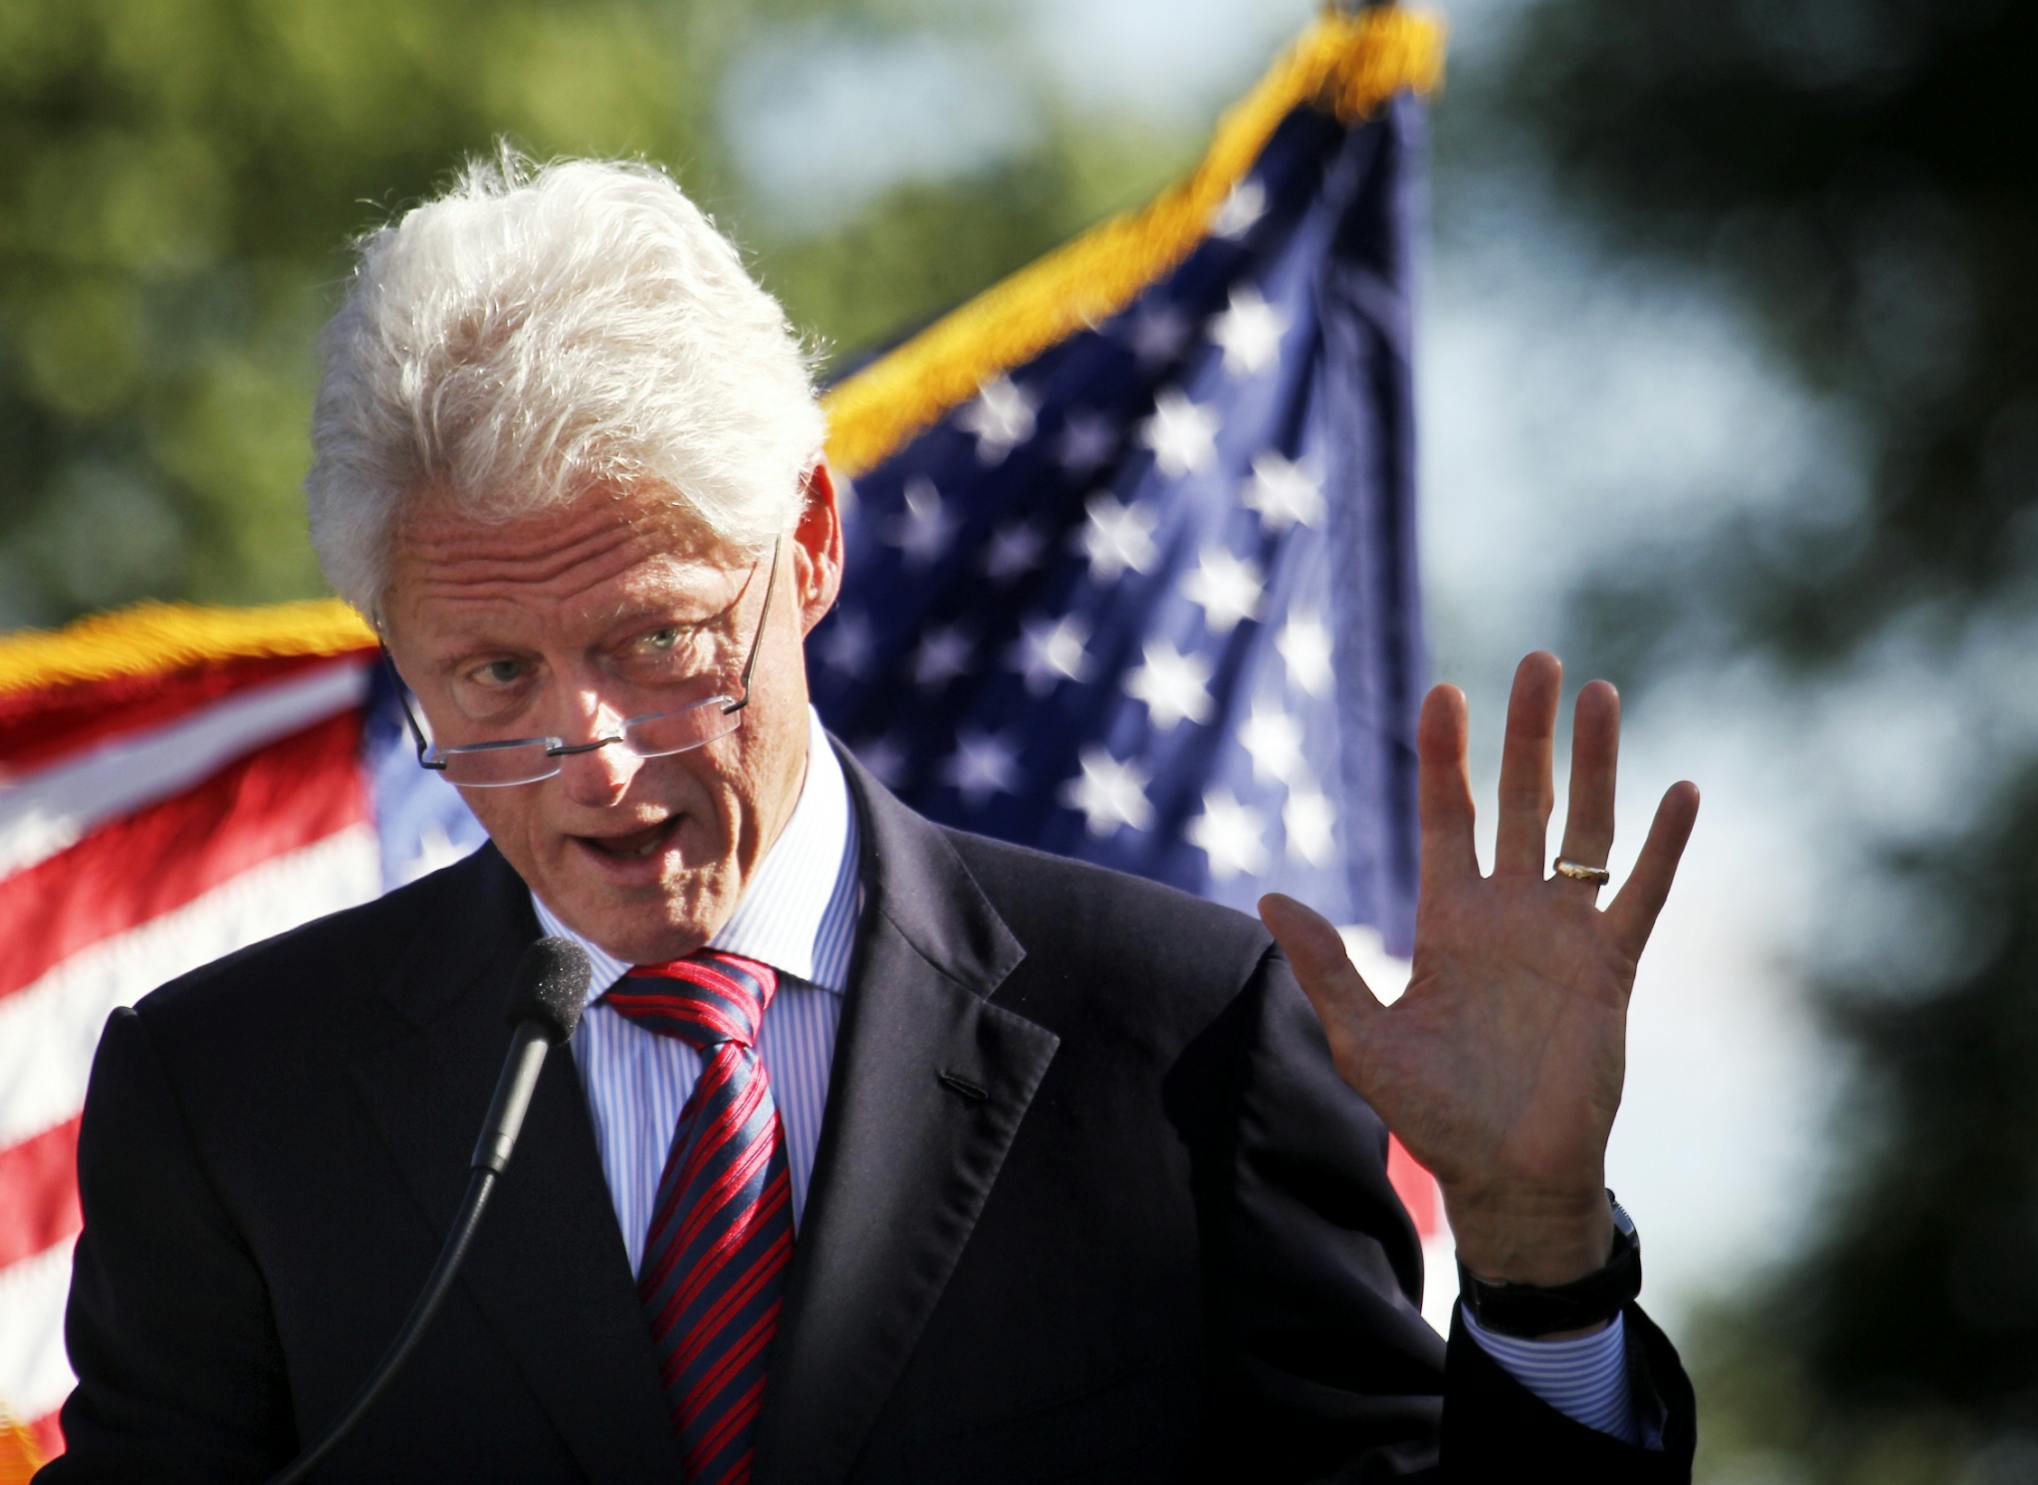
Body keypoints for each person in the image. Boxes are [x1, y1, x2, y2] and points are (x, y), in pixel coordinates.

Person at [40, 155, 1702, 1482]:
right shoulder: (229, 1098)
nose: (596, 759)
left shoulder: (1187, 1046)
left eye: (657, 643)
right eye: (489, 678)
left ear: (811, 543)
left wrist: (1538, 1252)